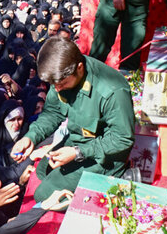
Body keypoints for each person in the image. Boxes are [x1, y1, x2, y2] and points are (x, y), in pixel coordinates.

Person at [11, 37, 135, 202]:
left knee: (44, 196)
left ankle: (119, 178)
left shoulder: (112, 91)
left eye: (61, 84)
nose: (57, 89)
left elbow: (122, 138)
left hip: (105, 155)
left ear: (80, 68)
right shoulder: (61, 75)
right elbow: (52, 112)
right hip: (77, 141)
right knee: (42, 171)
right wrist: (31, 136)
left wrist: (78, 153)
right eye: (52, 84)